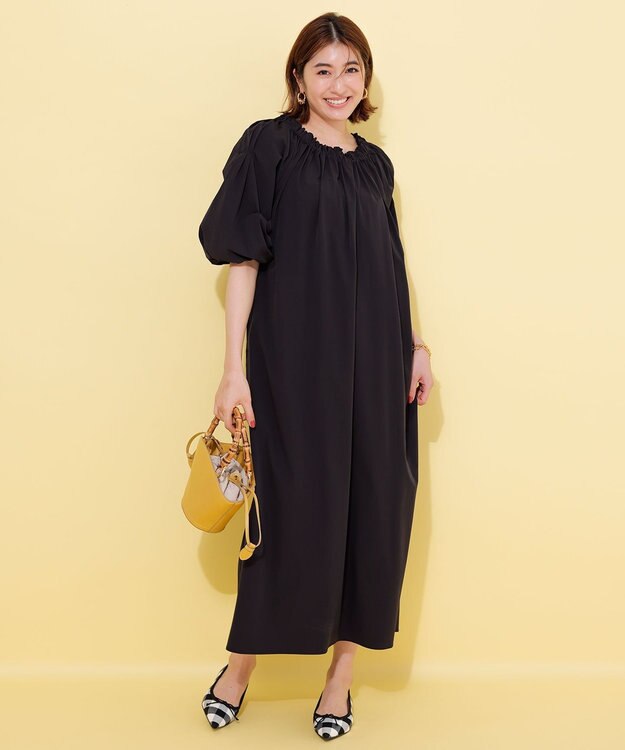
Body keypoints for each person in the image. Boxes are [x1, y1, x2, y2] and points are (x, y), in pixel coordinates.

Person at [197, 12, 434, 740]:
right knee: (287, 513)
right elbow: (243, 258)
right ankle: (240, 668)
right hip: (294, 362)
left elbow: (389, 260)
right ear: (298, 79)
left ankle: (339, 681)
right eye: (323, 69)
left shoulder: (375, 166)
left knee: (374, 509)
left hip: (379, 364)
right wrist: (232, 370)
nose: (338, 84)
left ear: (366, 78)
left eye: (351, 69)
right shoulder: (269, 145)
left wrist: (417, 345)